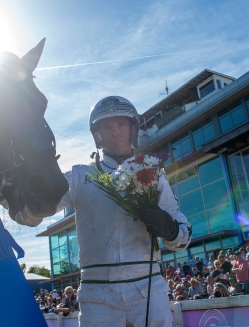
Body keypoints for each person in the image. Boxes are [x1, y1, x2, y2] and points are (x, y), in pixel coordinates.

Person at [47, 96, 192, 326]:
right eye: (107, 126)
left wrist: (170, 227)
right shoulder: (78, 177)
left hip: (148, 292)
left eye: (121, 124)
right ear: (97, 135)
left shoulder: (154, 173)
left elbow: (183, 236)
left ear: (132, 129)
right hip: (98, 297)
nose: (115, 132)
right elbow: (34, 209)